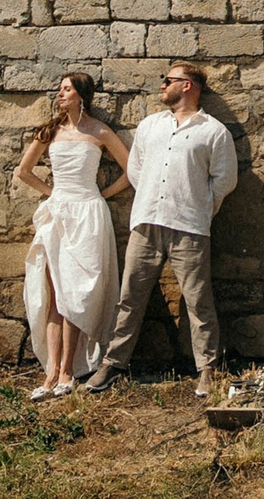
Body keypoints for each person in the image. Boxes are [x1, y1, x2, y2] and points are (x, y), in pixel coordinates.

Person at [84, 60, 237, 398]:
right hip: (147, 223)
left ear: (188, 86)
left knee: (199, 301)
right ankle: (113, 364)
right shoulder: (150, 126)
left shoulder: (212, 131)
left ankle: (207, 370)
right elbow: (136, 171)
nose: (162, 85)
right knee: (130, 298)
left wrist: (196, 207)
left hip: (190, 228)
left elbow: (224, 181)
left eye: (169, 80)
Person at [14, 72, 131, 399]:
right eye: (60, 88)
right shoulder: (50, 131)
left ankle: (68, 372)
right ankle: (51, 374)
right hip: (59, 213)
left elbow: (131, 170)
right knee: (53, 294)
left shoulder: (100, 131)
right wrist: (51, 193)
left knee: (76, 294)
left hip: (88, 213)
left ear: (81, 95)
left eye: (66, 89)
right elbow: (24, 171)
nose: (60, 93)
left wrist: (103, 195)